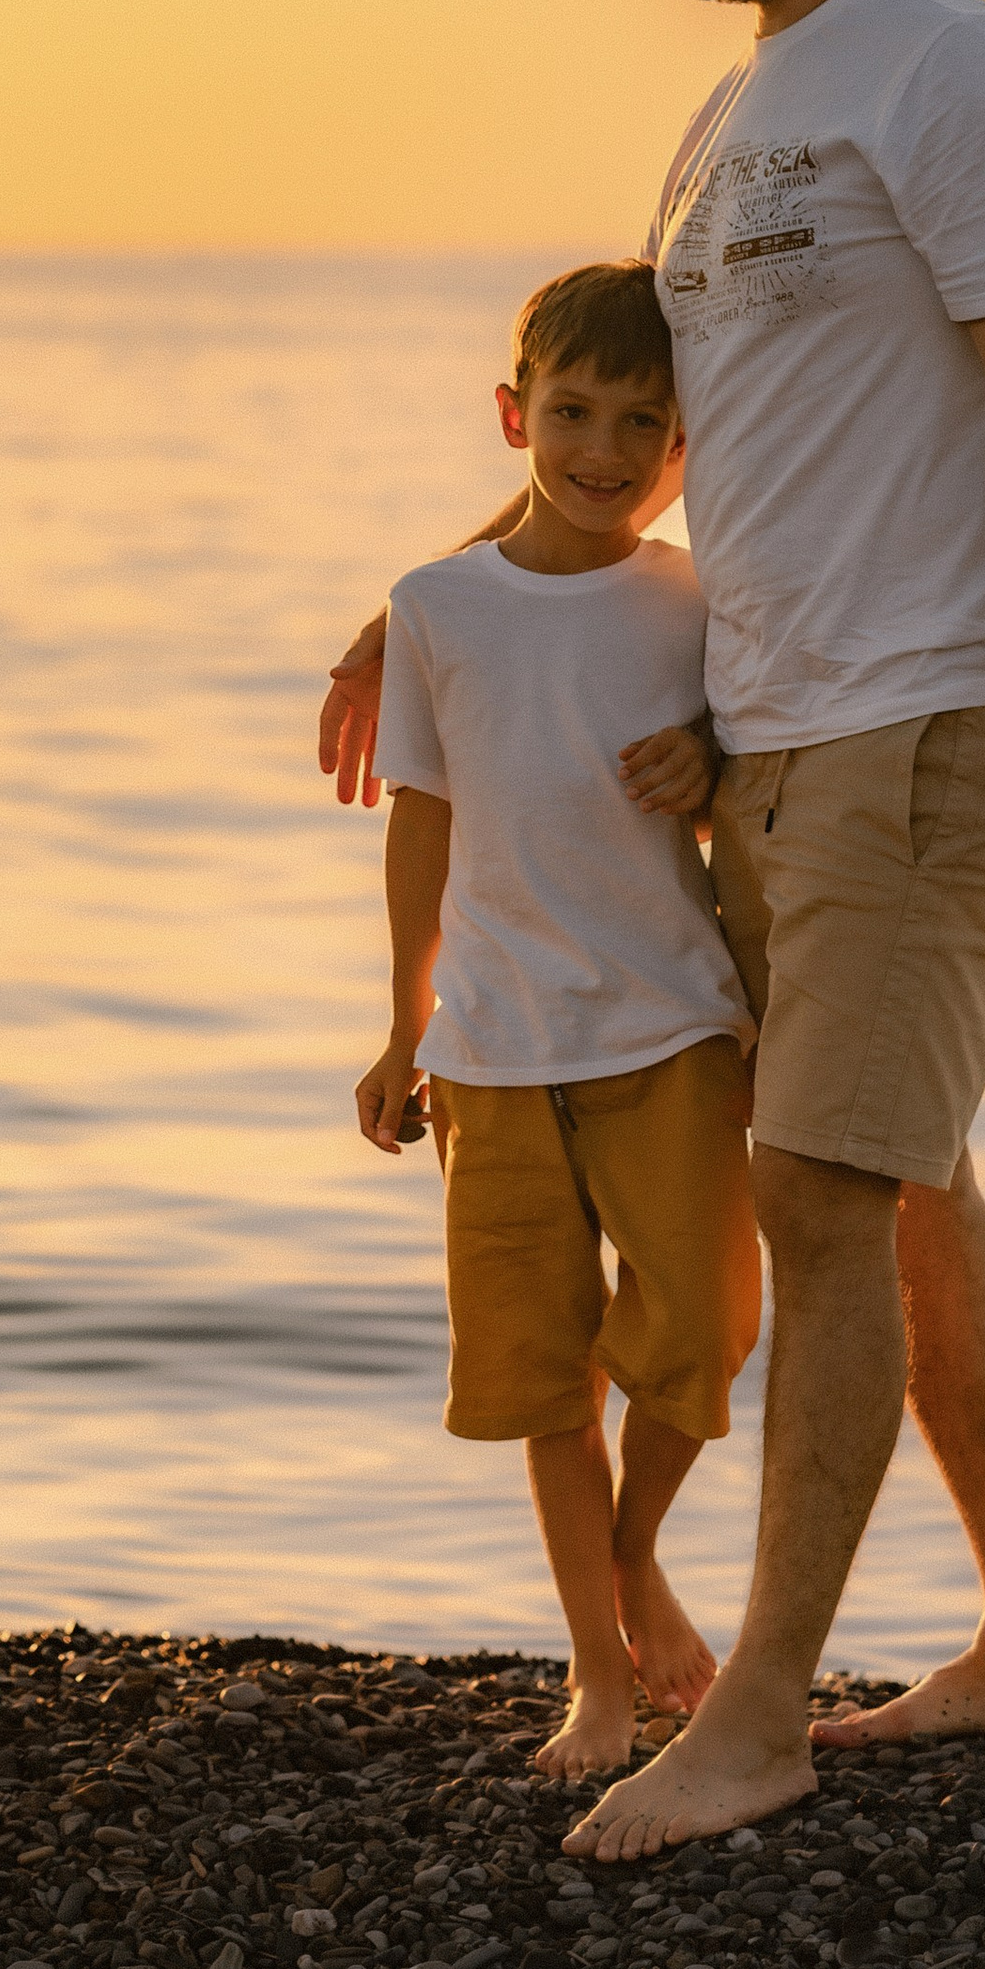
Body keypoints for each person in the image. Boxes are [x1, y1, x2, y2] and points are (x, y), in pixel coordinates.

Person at [323, 0, 985, 1860]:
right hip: (761, 738)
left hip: (924, 715)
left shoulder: (956, 71)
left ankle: (757, 1709)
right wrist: (433, 593)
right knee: (903, 1181)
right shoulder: (732, 114)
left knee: (814, 1189)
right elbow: (669, 440)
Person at [357, 261, 759, 1781]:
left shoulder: (700, 604)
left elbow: (754, 791)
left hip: (669, 1025)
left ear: (684, 444)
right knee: (538, 1372)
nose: (603, 449)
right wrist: (402, 1028)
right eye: (574, 412)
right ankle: (599, 1674)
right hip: (495, 1049)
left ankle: (635, 1553)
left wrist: (710, 766)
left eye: (642, 422)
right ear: (515, 414)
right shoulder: (437, 606)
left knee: (700, 1332)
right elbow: (420, 819)